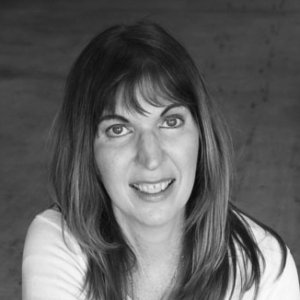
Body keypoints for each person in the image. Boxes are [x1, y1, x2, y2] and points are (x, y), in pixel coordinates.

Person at [22, 21, 300, 300]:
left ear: (201, 137)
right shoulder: (59, 243)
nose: (151, 158)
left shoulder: (265, 267)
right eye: (118, 130)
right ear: (87, 152)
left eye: (170, 122)